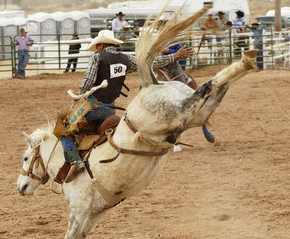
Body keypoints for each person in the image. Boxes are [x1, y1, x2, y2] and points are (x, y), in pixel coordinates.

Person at [60, 30, 194, 182]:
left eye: (97, 46)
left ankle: (75, 161)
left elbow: (87, 83)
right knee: (105, 137)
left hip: (94, 106)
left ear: (101, 45)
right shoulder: (124, 59)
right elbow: (148, 63)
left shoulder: (98, 56)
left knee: (64, 130)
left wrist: (81, 92)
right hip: (110, 109)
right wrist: (174, 56)